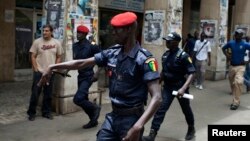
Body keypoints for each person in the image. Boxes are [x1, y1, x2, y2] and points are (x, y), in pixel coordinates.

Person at [39, 12, 162, 141]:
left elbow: (157, 97)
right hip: (113, 116)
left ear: (129, 30)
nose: (113, 33)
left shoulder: (145, 59)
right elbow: (82, 62)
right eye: (112, 29)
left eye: (117, 30)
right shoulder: (112, 52)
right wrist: (52, 67)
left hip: (132, 119)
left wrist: (138, 126)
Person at [143, 32, 196, 141]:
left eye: (169, 41)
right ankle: (152, 133)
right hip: (168, 87)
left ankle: (191, 128)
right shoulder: (166, 55)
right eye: (166, 40)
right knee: (161, 109)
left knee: (186, 109)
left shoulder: (183, 56)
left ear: (176, 43)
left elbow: (192, 73)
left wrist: (183, 88)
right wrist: (157, 85)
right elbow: (164, 71)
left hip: (180, 87)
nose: (166, 42)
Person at [27, 24, 64, 121]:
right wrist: (36, 69)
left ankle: (46, 112)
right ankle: (31, 113)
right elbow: (32, 56)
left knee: (48, 93)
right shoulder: (37, 42)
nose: (44, 32)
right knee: (35, 93)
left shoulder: (56, 43)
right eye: (43, 30)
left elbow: (59, 56)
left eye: (47, 31)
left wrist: (55, 68)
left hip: (50, 73)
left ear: (51, 32)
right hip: (39, 72)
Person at [72, 25, 101, 129]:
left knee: (78, 99)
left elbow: (102, 61)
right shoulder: (75, 46)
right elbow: (75, 62)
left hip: (89, 76)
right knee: (83, 99)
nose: (78, 34)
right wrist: (66, 69)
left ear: (85, 34)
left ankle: (95, 108)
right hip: (80, 76)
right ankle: (93, 120)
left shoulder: (92, 46)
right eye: (77, 32)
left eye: (80, 33)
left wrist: (97, 73)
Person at [222, 29, 250, 110]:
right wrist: (227, 55)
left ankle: (236, 102)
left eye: (239, 34)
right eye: (236, 33)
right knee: (233, 85)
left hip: (241, 67)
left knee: (238, 82)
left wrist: (248, 61)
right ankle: (236, 97)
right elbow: (223, 48)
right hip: (232, 67)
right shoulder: (231, 43)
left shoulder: (245, 44)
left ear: (242, 35)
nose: (237, 35)